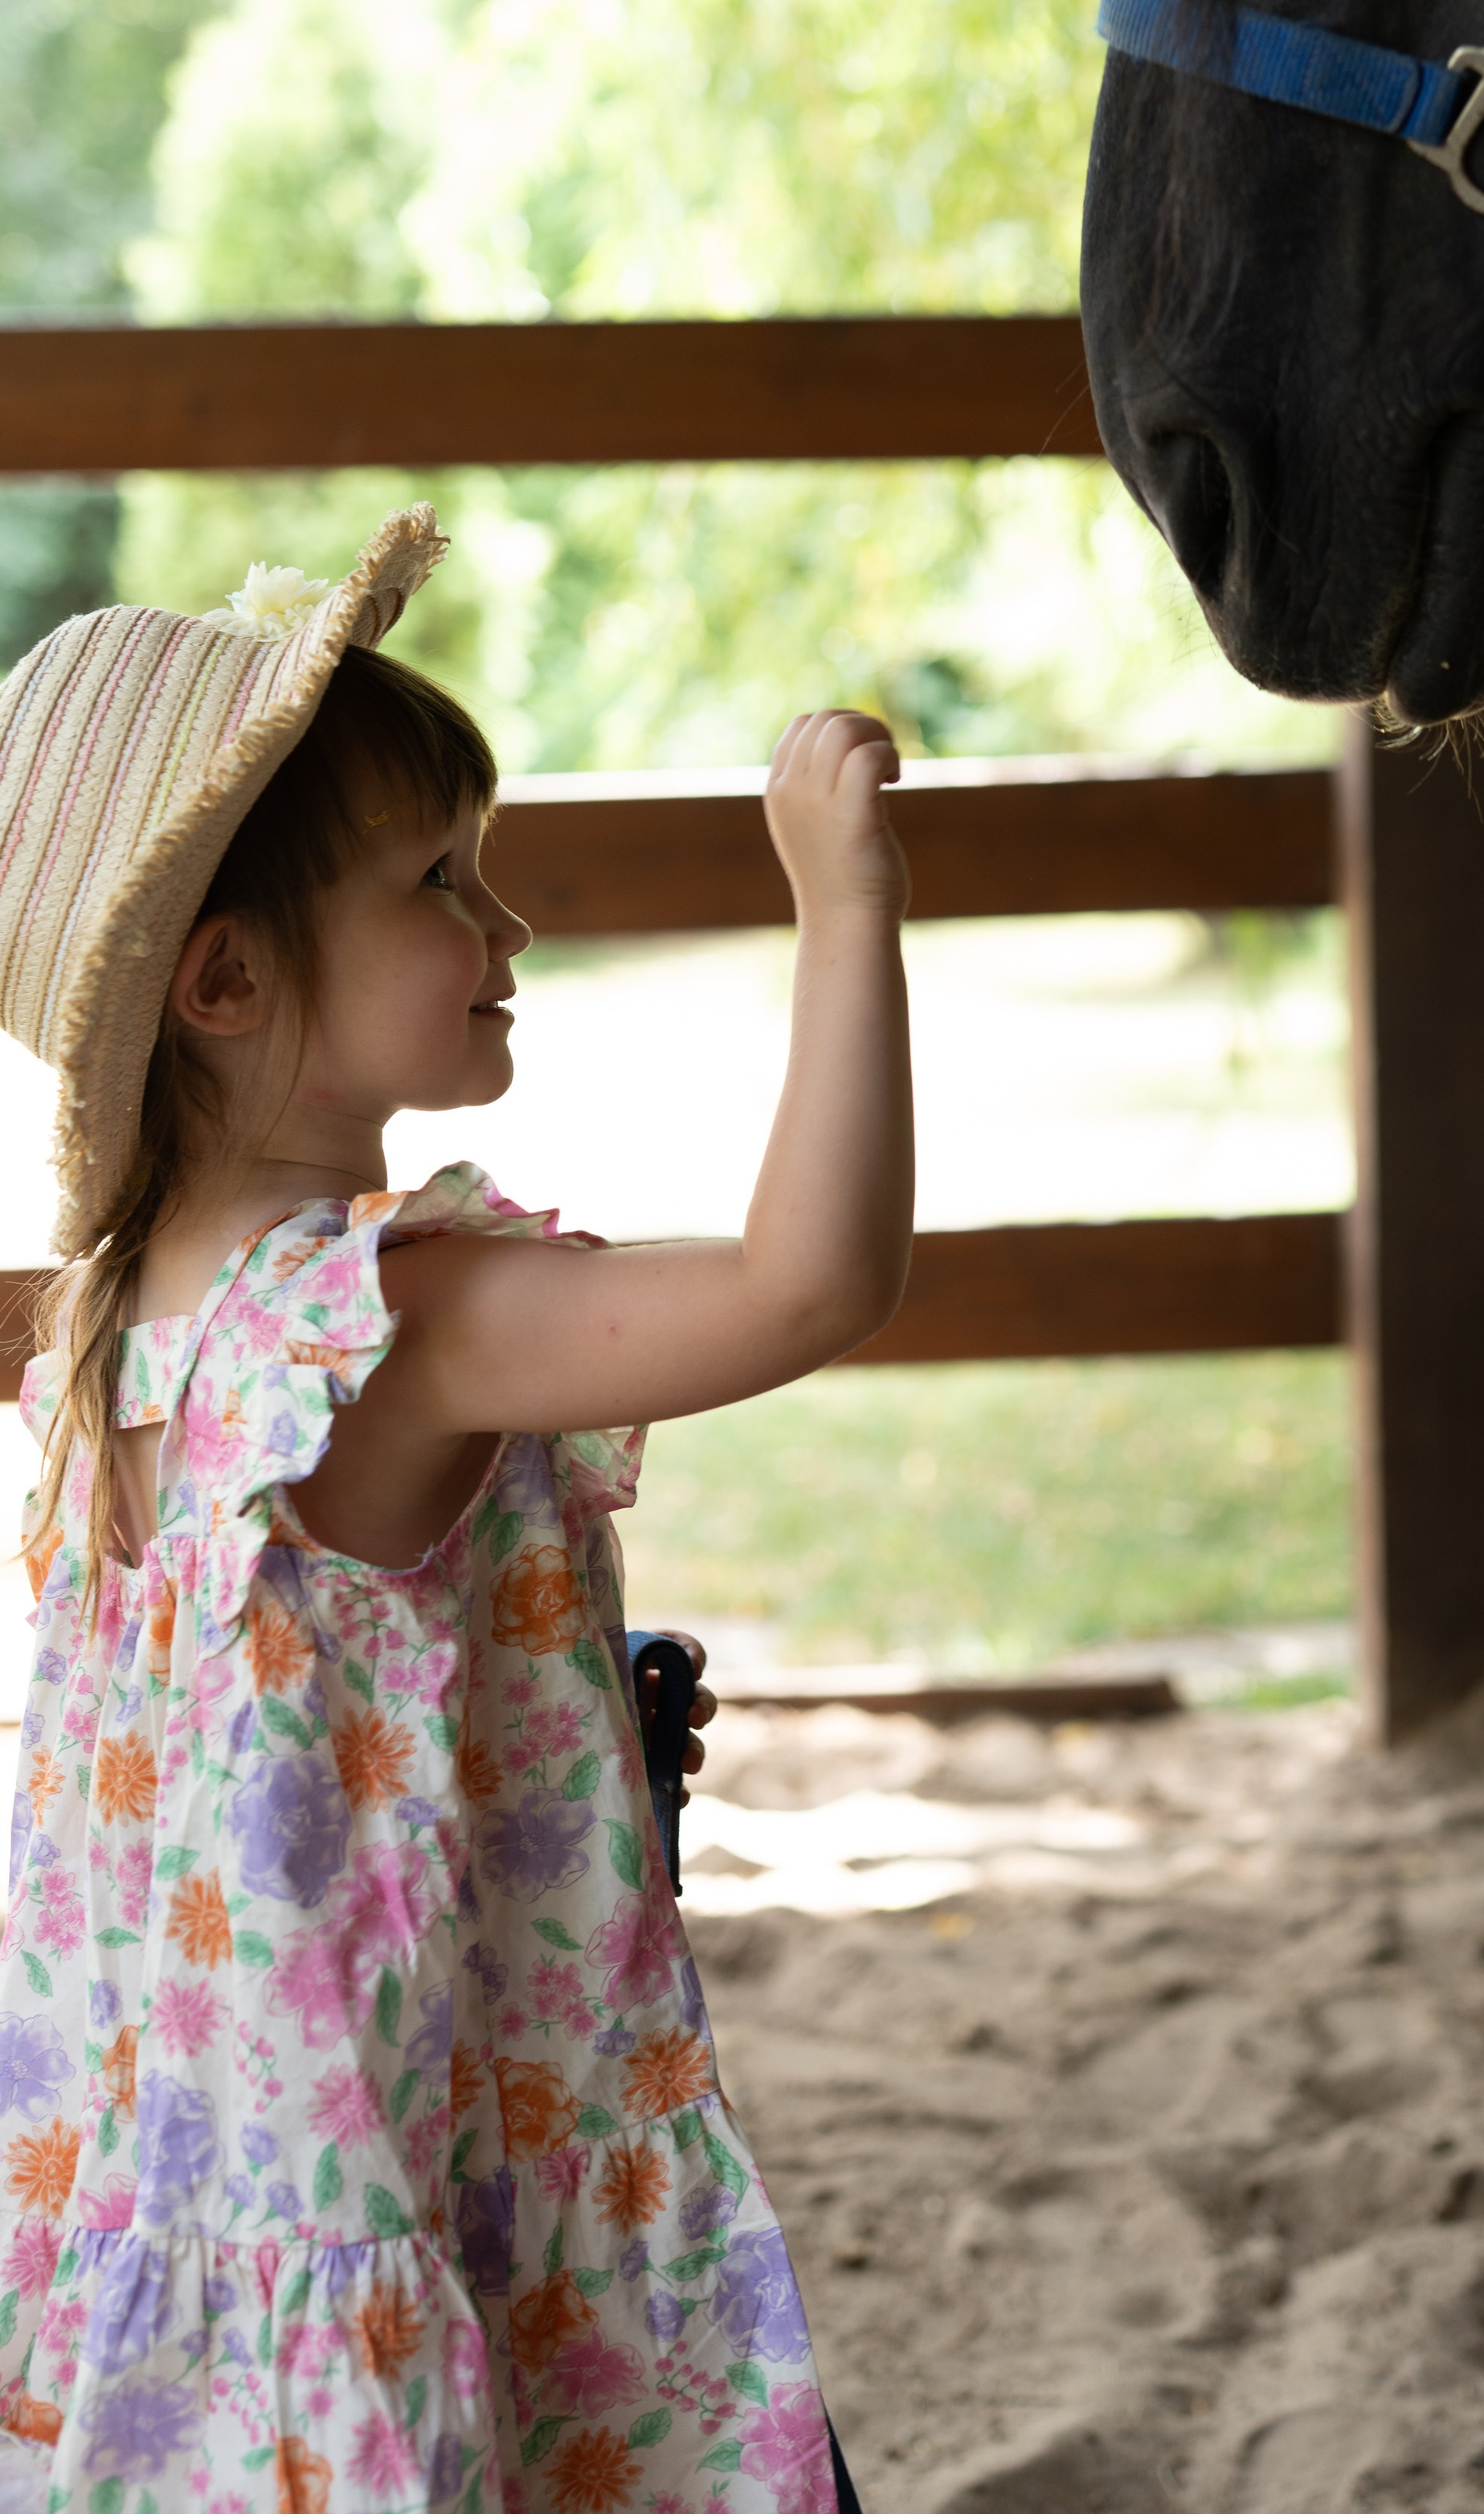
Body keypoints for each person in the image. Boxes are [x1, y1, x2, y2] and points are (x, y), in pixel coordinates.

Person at [0, 506, 910, 2513]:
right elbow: (804, 1287)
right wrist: (843, 905)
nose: (503, 932)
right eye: (437, 883)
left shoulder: (111, 1323)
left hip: (173, 2188)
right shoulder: (391, 1321)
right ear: (227, 981)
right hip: (384, 2175)